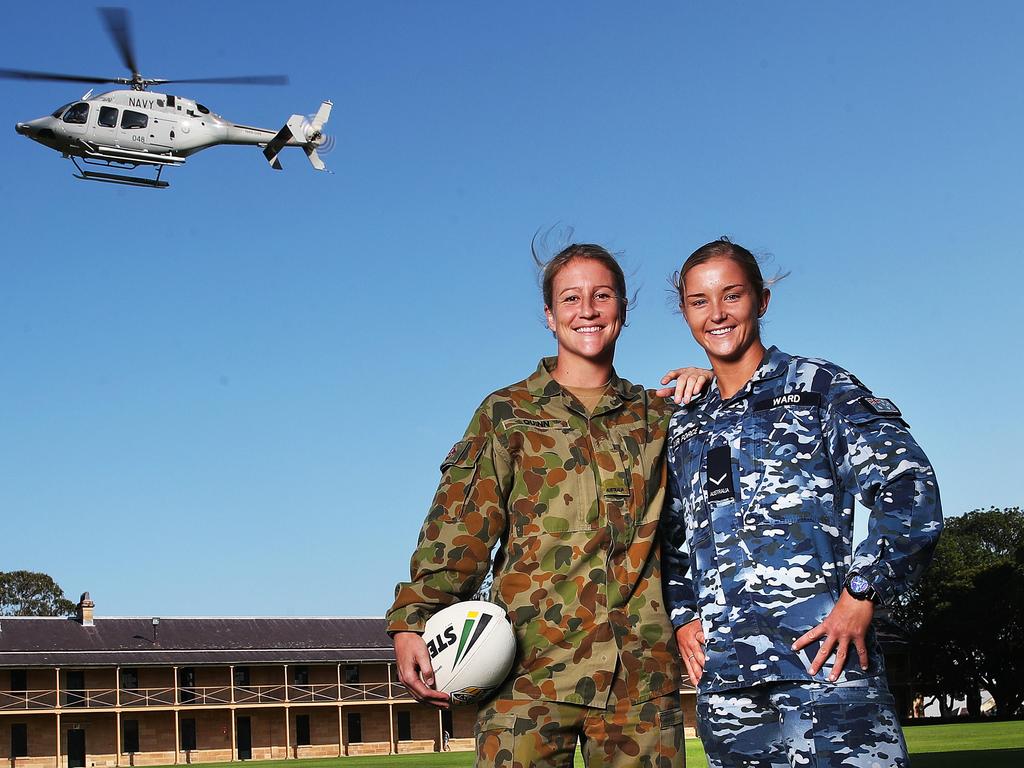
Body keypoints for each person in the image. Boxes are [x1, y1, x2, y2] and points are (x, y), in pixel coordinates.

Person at [386, 243, 709, 768]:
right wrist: (410, 621)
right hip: (527, 674)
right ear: (549, 315)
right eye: (571, 298)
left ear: (622, 310)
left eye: (601, 296)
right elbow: (460, 527)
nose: (587, 310)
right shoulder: (507, 414)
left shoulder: (658, 416)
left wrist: (710, 383)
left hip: (639, 680)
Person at [661, 238, 942, 768]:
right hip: (728, 690)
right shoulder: (685, 422)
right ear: (685, 313)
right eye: (699, 301)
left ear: (762, 300)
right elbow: (668, 537)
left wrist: (864, 591)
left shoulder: (819, 389)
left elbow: (908, 487)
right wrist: (682, 617)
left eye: (732, 296)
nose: (716, 314)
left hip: (826, 673)